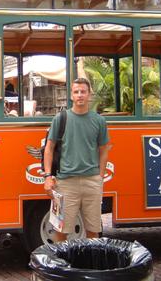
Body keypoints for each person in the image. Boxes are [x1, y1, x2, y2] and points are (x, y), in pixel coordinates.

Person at [43, 77, 109, 242]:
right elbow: (49, 148)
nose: (80, 95)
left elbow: (104, 150)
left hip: (92, 182)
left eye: (83, 92)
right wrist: (47, 176)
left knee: (93, 231)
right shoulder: (61, 118)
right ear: (71, 95)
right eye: (76, 92)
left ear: (89, 95)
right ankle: (61, 265)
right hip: (66, 183)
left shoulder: (99, 121)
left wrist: (99, 176)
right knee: (62, 231)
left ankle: (91, 265)